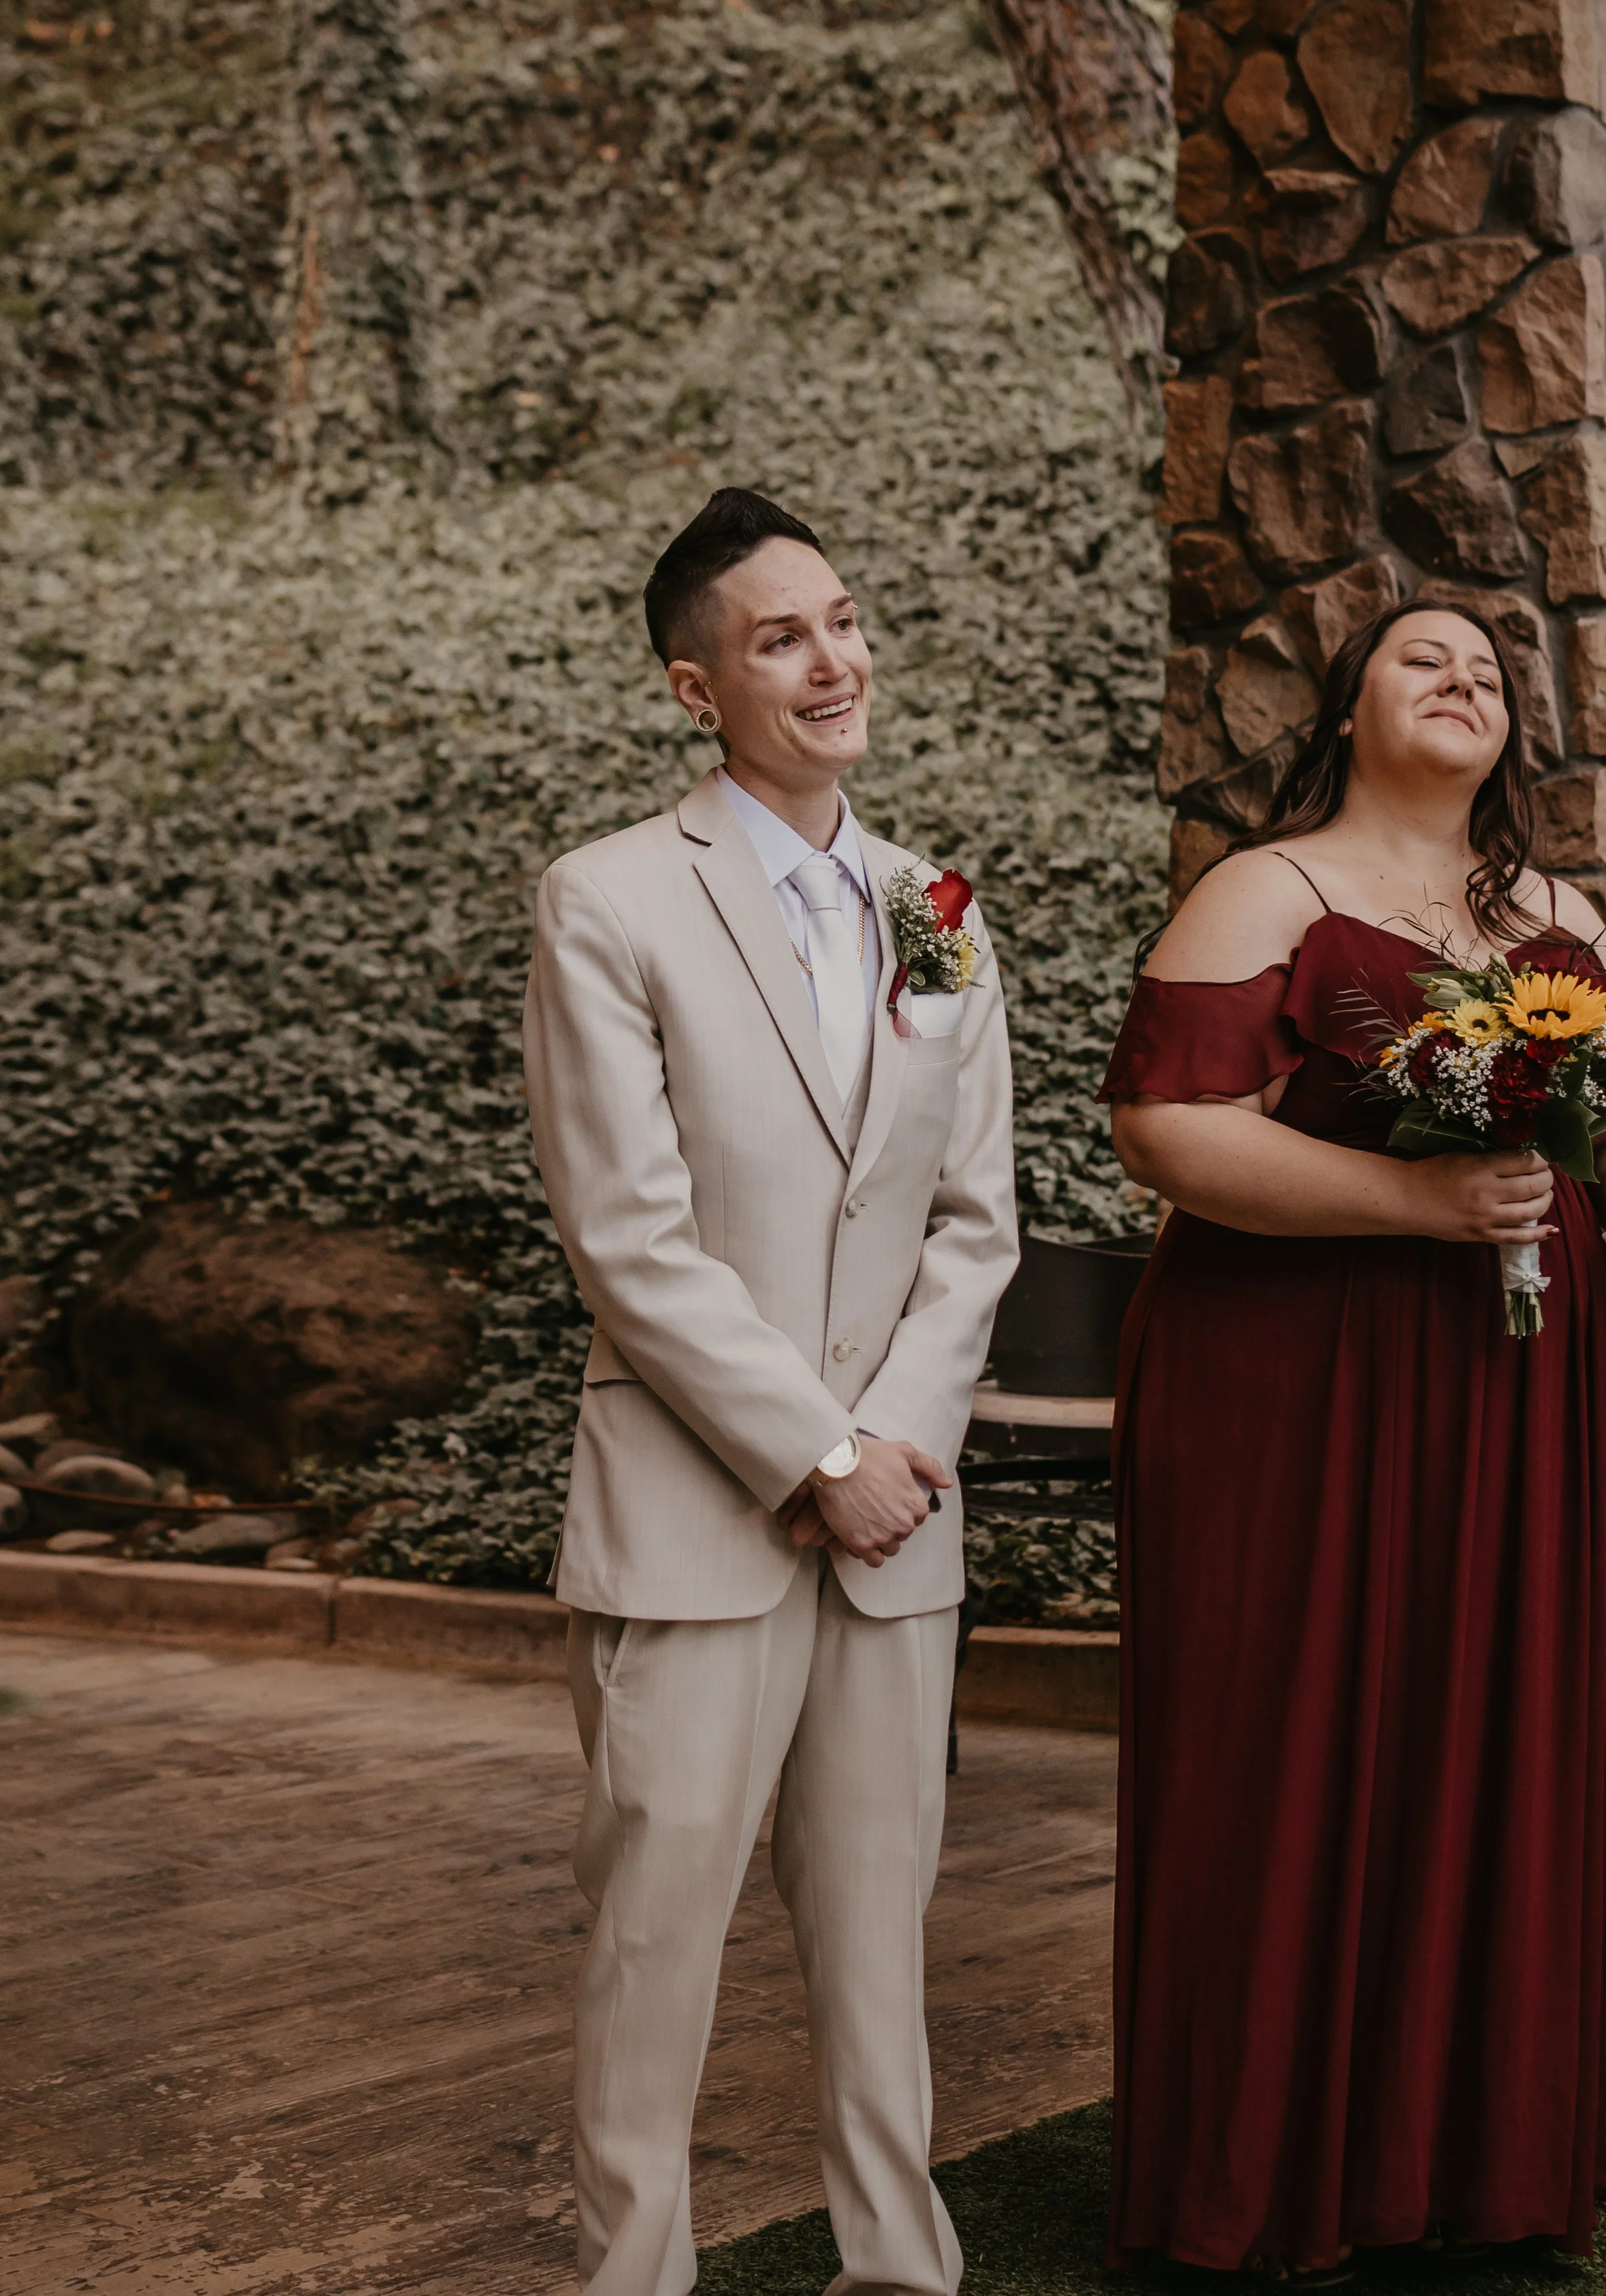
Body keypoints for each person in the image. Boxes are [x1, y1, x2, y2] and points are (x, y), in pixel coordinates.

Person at [1100, 599, 1606, 2282]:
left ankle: (1469, 2159)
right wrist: (1410, 1200)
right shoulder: (1266, 890)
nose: (1460, 683)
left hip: (1497, 1389)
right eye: (1419, 659)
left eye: (1488, 674)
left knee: (1478, 1725)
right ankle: (1258, 2181)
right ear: (1346, 707)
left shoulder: (1557, 919)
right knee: (1286, 1734)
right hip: (1289, 1381)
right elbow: (1160, 1123)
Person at [522, 486, 1018, 2296]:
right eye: (778, 636)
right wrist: (811, 1449)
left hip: (894, 1524)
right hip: (692, 1518)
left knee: (881, 1950)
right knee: (652, 1951)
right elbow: (626, 1235)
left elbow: (976, 1225)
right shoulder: (607, 899)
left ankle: (900, 2271)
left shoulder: (939, 910)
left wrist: (893, 1444)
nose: (833, 657)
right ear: (693, 686)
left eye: (843, 619)